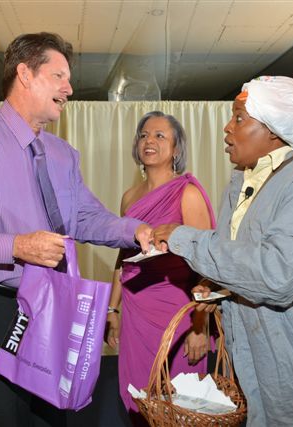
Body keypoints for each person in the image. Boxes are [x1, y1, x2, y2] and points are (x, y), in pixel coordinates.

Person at [0, 32, 151, 427]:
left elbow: (85, 217)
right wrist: (15, 246)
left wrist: (138, 232)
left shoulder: (62, 154)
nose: (69, 89)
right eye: (58, 76)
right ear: (24, 74)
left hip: (53, 306)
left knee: (50, 417)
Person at [152, 76, 293, 426]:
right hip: (262, 380)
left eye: (239, 118)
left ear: (274, 129)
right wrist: (219, 287)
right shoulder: (240, 183)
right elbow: (243, 259)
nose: (227, 128)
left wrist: (186, 239)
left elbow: (275, 276)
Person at [105, 111, 215, 424]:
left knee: (180, 404)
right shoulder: (129, 198)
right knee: (139, 400)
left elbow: (206, 266)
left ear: (176, 148)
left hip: (177, 313)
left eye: (159, 135)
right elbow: (123, 258)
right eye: (143, 135)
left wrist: (199, 328)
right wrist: (113, 310)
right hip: (136, 313)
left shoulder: (187, 193)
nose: (149, 141)